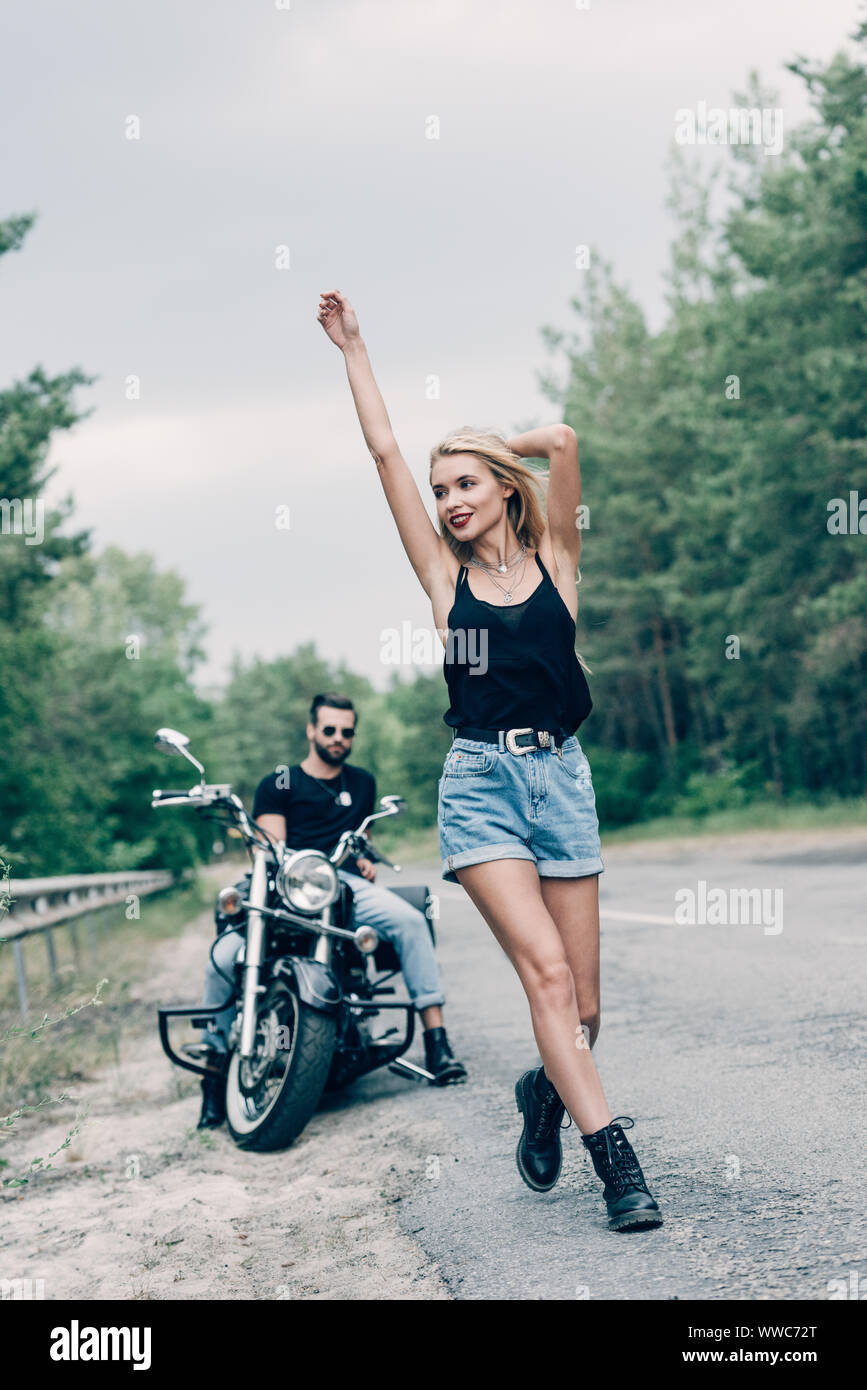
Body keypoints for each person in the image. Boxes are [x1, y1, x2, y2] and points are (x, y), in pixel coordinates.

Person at [317, 288, 662, 1231]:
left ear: (505, 488)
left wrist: (497, 442)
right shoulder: (442, 578)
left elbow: (563, 436)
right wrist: (354, 347)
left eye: (465, 484)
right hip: (480, 788)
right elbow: (386, 452)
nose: (449, 502)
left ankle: (547, 1089)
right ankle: (618, 1168)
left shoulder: (557, 558)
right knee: (545, 978)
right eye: (440, 492)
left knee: (584, 1006)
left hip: (565, 780)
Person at [193, 693, 467, 1127]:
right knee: (223, 960)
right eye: (330, 730)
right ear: (311, 730)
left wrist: (363, 859)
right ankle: (212, 1082)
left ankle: (438, 1042)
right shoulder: (279, 782)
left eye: (347, 731)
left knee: (412, 921)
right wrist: (295, 867)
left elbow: (358, 838)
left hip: (343, 886)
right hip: (285, 885)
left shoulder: (361, 783)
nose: (339, 738)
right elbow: (270, 848)